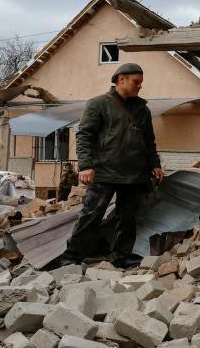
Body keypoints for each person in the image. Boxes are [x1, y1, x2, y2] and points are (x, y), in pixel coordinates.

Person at [57, 62, 163, 269]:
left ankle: (122, 256)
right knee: (91, 215)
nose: (139, 86)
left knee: (128, 217)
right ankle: (71, 257)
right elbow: (84, 136)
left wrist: (155, 165)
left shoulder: (143, 109)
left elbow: (149, 141)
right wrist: (86, 166)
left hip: (134, 173)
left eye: (141, 82)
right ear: (120, 80)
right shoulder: (98, 104)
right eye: (136, 82)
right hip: (104, 171)